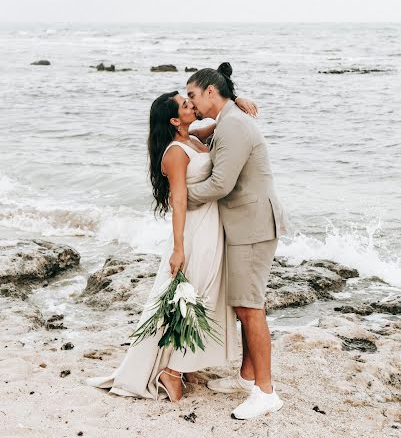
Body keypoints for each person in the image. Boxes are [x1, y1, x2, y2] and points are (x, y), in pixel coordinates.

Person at [86, 80, 257, 403]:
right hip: (194, 232)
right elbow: (179, 201)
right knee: (194, 295)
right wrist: (179, 249)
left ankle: (184, 363)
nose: (192, 106)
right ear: (175, 121)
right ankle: (171, 371)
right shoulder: (176, 153)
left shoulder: (192, 138)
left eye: (189, 101)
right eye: (185, 105)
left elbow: (222, 122)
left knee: (198, 296)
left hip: (210, 227)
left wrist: (237, 99)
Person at [186, 62, 287, 420]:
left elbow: (220, 185)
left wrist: (180, 196)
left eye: (193, 95)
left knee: (249, 307)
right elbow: (200, 132)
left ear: (211, 92)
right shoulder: (227, 121)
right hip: (245, 224)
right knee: (243, 305)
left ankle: (266, 391)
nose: (190, 101)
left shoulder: (234, 125)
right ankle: (248, 378)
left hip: (254, 226)